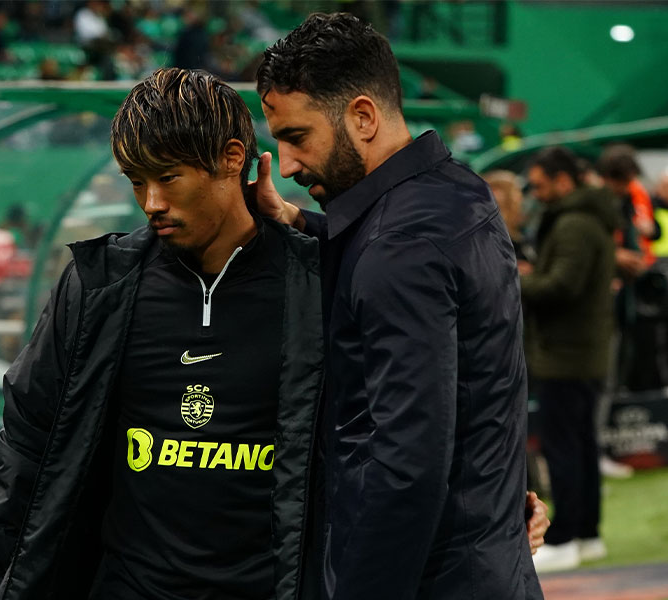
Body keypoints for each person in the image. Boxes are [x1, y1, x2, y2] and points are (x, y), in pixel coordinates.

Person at [0, 68, 324, 600]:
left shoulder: (314, 283)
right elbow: (28, 442)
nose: (151, 203)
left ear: (231, 158)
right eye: (135, 181)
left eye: (168, 178)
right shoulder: (99, 286)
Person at [253, 12, 543, 598]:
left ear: (363, 116)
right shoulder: (455, 191)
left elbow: (406, 463)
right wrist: (303, 222)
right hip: (488, 561)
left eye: (297, 137)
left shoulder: (399, 248)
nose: (286, 165)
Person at [519, 147, 618, 573]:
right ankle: (587, 534)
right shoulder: (586, 219)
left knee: (564, 449)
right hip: (580, 351)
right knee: (580, 446)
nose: (536, 194)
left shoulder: (574, 223)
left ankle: (565, 538)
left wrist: (516, 278)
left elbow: (561, 287)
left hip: (566, 354)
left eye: (541, 185)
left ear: (563, 181)